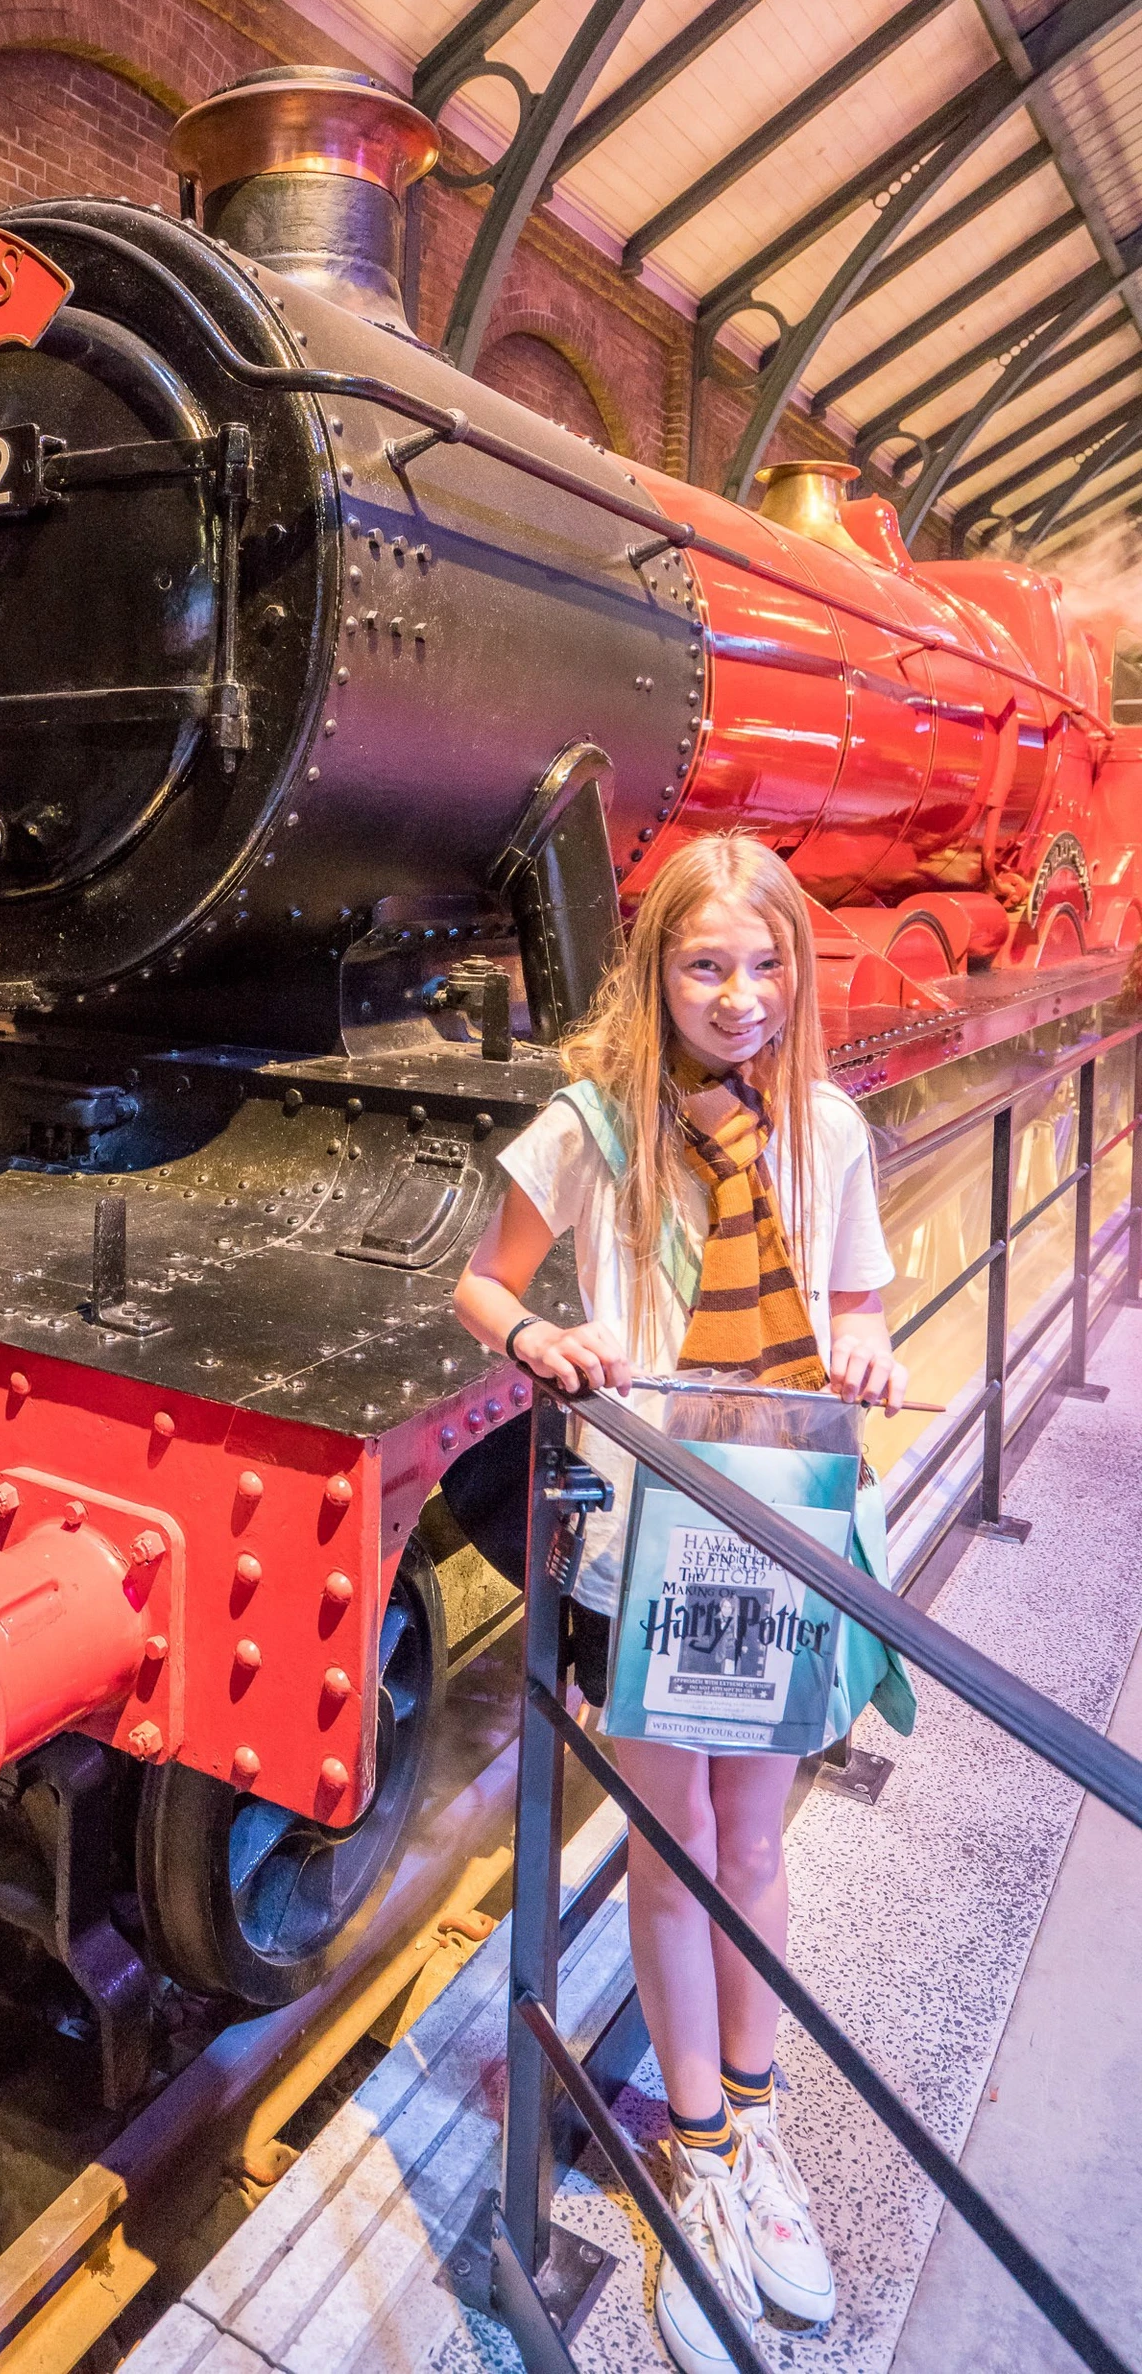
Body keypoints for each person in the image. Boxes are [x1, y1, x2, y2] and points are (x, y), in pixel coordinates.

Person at [453, 832, 906, 2374]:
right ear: (655, 971)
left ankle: (755, 2135)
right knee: (671, 1839)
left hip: (781, 1522)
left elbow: (858, 1299)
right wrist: (541, 1339)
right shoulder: (595, 1124)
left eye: (768, 963)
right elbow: (480, 1283)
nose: (743, 994)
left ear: (801, 971)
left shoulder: (827, 1130)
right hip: (653, 1531)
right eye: (709, 964)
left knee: (761, 1834)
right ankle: (698, 2155)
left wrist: (870, 1352)